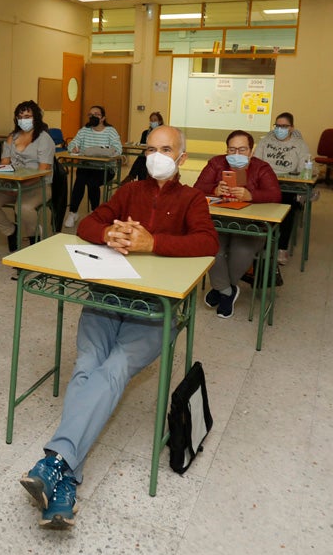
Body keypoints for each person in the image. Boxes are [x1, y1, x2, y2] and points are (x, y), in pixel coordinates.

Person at [20, 126, 218, 529]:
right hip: (107, 298)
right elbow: (87, 225)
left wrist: (153, 243)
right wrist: (110, 232)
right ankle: (65, 481)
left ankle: (56, 462)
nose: (156, 155)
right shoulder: (130, 191)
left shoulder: (192, 198)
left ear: (180, 159)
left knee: (114, 368)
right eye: (151, 148)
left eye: (166, 150)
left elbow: (207, 243)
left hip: (154, 308)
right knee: (88, 362)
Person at [193, 130, 281, 318]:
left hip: (252, 226)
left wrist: (252, 196)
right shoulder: (216, 163)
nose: (236, 155)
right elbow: (197, 188)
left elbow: (275, 194)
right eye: (232, 150)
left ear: (251, 150)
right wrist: (214, 189)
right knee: (212, 246)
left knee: (242, 251)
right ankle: (227, 291)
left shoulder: (261, 168)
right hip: (220, 221)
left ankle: (221, 287)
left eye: (242, 150)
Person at [0, 100, 55, 252]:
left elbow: (42, 172)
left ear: (36, 118)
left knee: (23, 207)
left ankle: (34, 238)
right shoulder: (12, 137)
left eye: (27, 116)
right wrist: (7, 183)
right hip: (12, 185)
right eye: (20, 116)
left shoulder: (44, 139)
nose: (23, 120)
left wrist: (19, 186)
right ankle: (11, 231)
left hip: (37, 186)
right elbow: (4, 164)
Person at [255, 111, 311, 265]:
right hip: (266, 182)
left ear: (291, 128)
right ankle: (262, 245)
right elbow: (256, 163)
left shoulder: (299, 145)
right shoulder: (265, 142)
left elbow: (303, 168)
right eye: (277, 126)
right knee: (259, 204)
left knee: (287, 207)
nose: (280, 129)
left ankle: (282, 248)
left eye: (284, 126)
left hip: (288, 184)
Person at [63, 105, 121, 228]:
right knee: (80, 179)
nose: (92, 117)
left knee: (92, 182)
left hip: (106, 168)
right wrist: (73, 147)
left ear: (103, 118)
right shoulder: (84, 130)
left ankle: (95, 212)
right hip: (87, 166)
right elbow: (72, 144)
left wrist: (104, 152)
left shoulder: (110, 131)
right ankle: (73, 212)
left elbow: (118, 150)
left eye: (96, 114)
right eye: (90, 115)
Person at [122, 111, 164, 184]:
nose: (152, 122)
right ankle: (140, 182)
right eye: (151, 120)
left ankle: (131, 176)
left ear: (160, 122)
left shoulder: (163, 132)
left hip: (158, 155)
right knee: (143, 159)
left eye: (155, 120)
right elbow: (142, 145)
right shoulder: (145, 133)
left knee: (142, 159)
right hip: (146, 154)